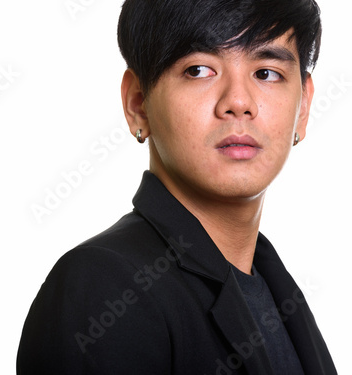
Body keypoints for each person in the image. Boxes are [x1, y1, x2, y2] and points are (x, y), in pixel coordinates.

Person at [17, 0, 337, 373]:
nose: (238, 102)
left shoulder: (272, 285)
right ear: (138, 103)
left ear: (302, 108)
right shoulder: (105, 287)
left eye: (266, 73)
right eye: (199, 70)